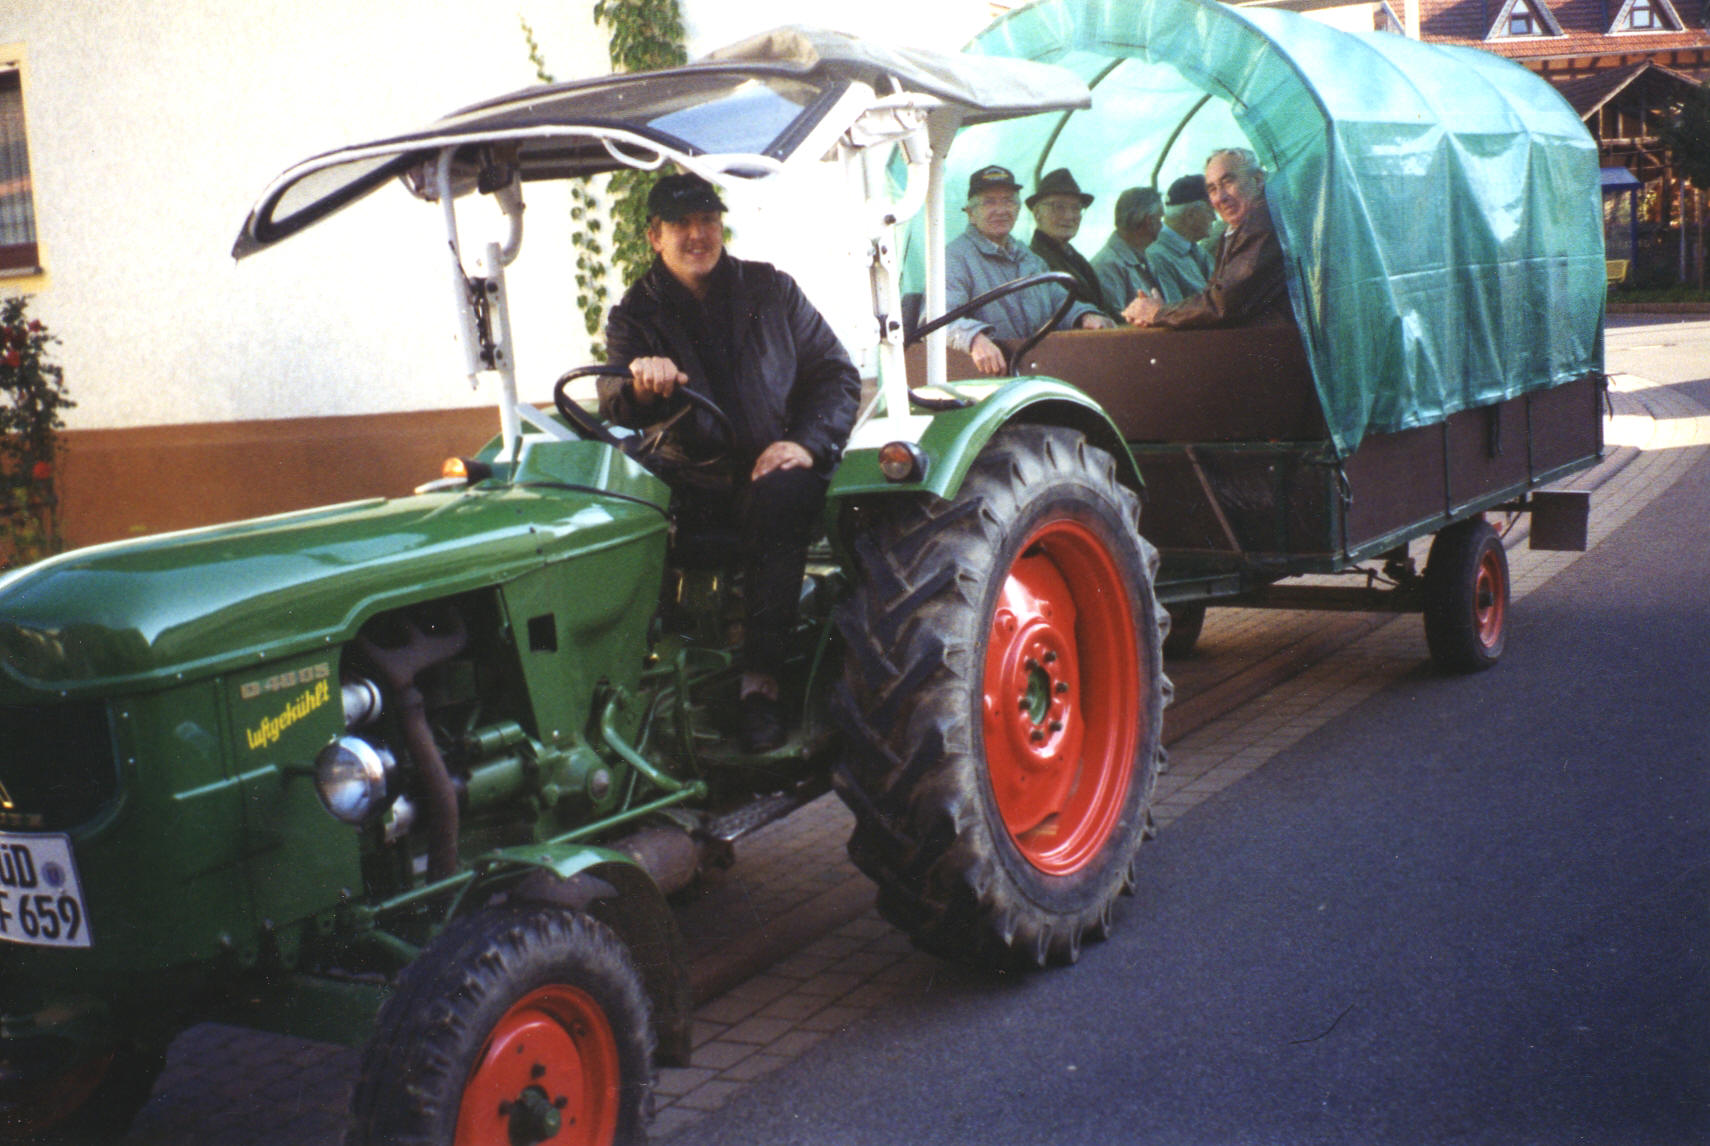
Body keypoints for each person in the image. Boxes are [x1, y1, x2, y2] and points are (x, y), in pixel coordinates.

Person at [600, 172, 861, 751]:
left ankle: (760, 684)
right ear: (654, 237)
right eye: (682, 225)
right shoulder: (635, 313)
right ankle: (632, 686)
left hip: (774, 470)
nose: (698, 235)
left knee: (780, 495)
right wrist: (643, 386)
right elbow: (614, 399)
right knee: (624, 514)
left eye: (708, 221)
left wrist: (806, 444)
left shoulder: (770, 290)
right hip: (691, 479)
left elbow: (835, 374)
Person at [945, 165, 1114, 376]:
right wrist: (974, 339)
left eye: (1008, 201)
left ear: (1017, 210)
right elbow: (938, 320)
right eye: (989, 202)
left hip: (1036, 372)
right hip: (988, 379)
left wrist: (1085, 315)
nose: (1001, 210)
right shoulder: (955, 258)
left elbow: (1058, 301)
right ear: (971, 213)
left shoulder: (1029, 259)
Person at [1123, 148, 1293, 330]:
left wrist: (1159, 313)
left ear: (1258, 180)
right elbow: (1218, 297)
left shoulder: (1260, 224)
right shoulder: (1244, 227)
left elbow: (1223, 304)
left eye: (1228, 182)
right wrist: (1160, 312)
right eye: (1212, 189)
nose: (1220, 198)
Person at [1027, 168, 1113, 315]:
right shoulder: (1034, 262)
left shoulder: (1072, 256)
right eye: (1058, 207)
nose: (1069, 216)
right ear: (1037, 214)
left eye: (1076, 208)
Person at [1090, 186, 1164, 316]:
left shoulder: (1145, 259)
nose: (1162, 225)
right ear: (1149, 221)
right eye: (1160, 218)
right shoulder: (1107, 266)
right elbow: (1116, 323)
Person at [1147, 174, 1216, 302]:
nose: (1215, 218)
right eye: (1211, 211)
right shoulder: (1158, 258)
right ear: (1191, 215)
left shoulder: (1196, 250)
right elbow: (1174, 316)